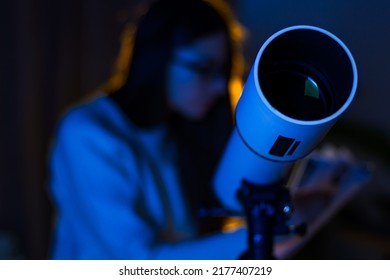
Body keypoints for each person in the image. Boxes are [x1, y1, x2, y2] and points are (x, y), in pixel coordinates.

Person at [48, 0, 248, 259]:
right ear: (159, 56)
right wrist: (264, 235)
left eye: (223, 72)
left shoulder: (182, 133)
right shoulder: (87, 134)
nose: (221, 87)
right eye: (204, 69)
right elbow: (137, 261)